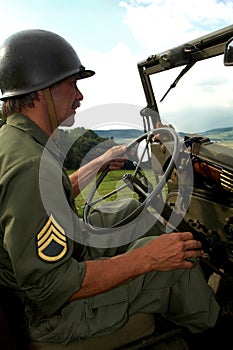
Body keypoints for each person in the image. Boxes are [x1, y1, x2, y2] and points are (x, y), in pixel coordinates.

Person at [0, 29, 219, 347]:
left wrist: (97, 163)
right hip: (52, 316)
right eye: (72, 84)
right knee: (177, 260)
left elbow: (45, 204)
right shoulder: (32, 165)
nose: (80, 96)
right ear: (42, 89)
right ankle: (214, 330)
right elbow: (51, 286)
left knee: (133, 210)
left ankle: (172, 299)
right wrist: (149, 259)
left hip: (40, 286)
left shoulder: (16, 142)